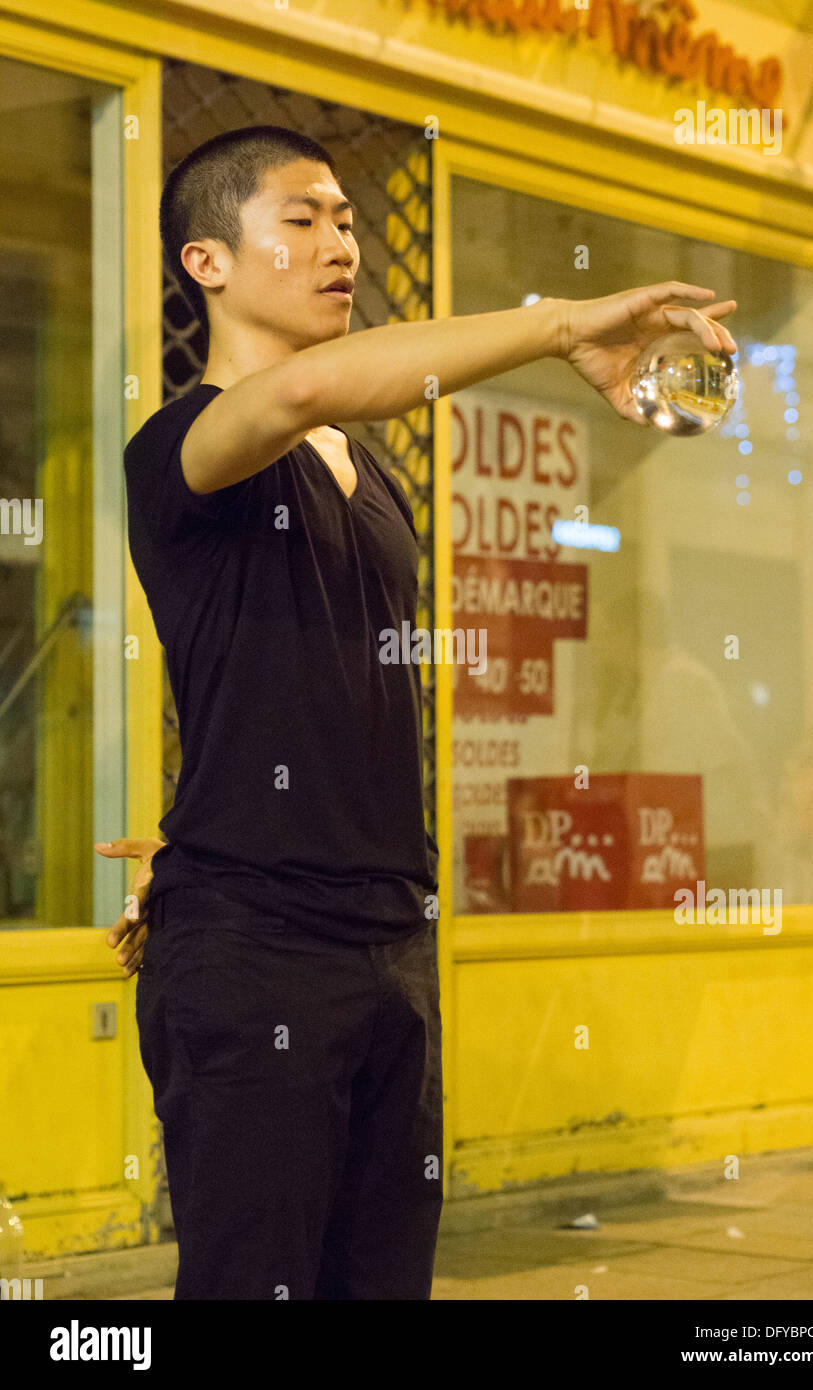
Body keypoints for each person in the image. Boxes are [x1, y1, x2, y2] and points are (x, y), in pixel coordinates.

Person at [95, 125, 736, 1300]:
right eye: (302, 219)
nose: (340, 244)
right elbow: (295, 388)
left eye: (346, 219)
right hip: (254, 955)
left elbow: (303, 689)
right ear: (208, 263)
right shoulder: (180, 446)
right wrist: (559, 325)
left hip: (389, 939)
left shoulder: (367, 467)